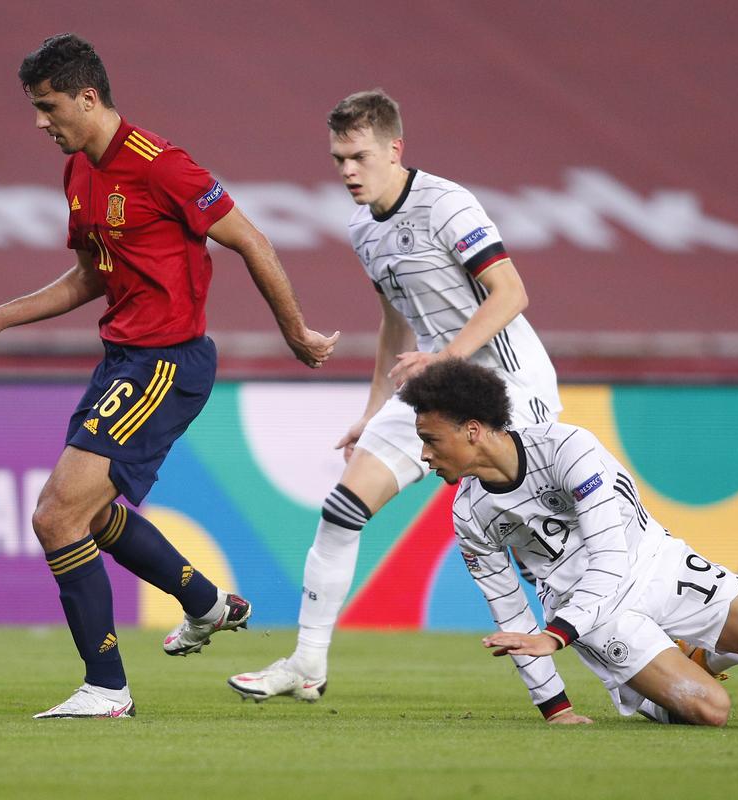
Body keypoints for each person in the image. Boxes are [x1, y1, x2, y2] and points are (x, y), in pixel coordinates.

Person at [0, 34, 338, 719]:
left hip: (167, 361)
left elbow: (252, 240)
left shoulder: (162, 165)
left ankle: (106, 688)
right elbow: (91, 276)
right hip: (122, 359)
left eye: (48, 106)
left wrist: (296, 332)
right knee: (88, 515)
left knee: (56, 514)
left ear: (87, 98)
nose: (40, 121)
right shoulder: (79, 172)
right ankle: (207, 605)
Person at [229, 90, 579, 724]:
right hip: (431, 384)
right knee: (342, 507)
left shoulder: (448, 206)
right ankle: (308, 662)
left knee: (548, 548)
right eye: (338, 159)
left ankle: (652, 640)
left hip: (511, 385)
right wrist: (373, 410)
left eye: (359, 156)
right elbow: (396, 324)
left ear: (395, 149)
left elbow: (510, 294)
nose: (347, 172)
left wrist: (443, 362)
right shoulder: (362, 228)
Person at [400, 357, 738, 725]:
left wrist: (558, 636)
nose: (424, 455)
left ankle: (696, 658)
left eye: (431, 439)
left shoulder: (567, 448)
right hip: (592, 613)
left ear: (472, 430)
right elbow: (510, 614)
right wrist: (555, 707)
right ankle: (649, 694)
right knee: (712, 710)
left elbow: (610, 556)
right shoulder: (470, 514)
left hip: (656, 564)